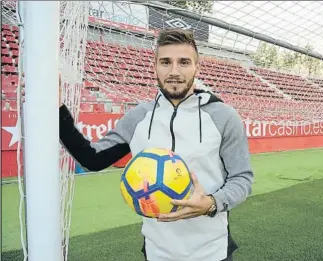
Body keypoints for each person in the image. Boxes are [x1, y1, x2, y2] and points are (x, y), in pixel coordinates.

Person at [24, 28, 254, 261]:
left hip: (211, 252)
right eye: (165, 62)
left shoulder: (224, 116)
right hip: (157, 253)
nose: (174, 71)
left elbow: (242, 178)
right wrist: (58, 108)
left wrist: (212, 203)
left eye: (184, 62)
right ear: (154, 67)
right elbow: (92, 158)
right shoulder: (139, 117)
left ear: (197, 67)